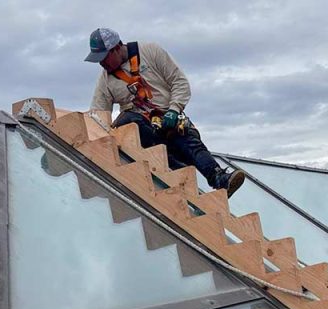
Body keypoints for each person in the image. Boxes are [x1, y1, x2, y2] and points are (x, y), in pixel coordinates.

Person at [86, 28, 245, 196]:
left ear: (117, 47)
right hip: (144, 135)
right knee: (127, 120)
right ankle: (184, 182)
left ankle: (219, 178)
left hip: (169, 120)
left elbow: (179, 81)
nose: (101, 63)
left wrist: (174, 110)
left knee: (189, 141)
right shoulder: (105, 80)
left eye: (104, 58)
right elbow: (98, 117)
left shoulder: (150, 52)